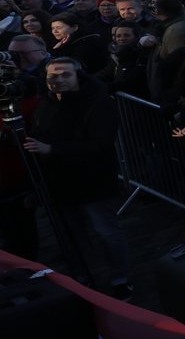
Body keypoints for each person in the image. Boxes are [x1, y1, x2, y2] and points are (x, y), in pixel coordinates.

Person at [25, 57, 131, 292]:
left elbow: (100, 144)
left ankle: (121, 279)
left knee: (106, 232)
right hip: (60, 183)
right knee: (72, 234)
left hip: (93, 181)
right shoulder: (46, 103)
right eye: (53, 76)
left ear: (78, 76)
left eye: (65, 75)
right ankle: (83, 277)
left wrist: (52, 150)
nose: (58, 80)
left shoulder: (97, 102)